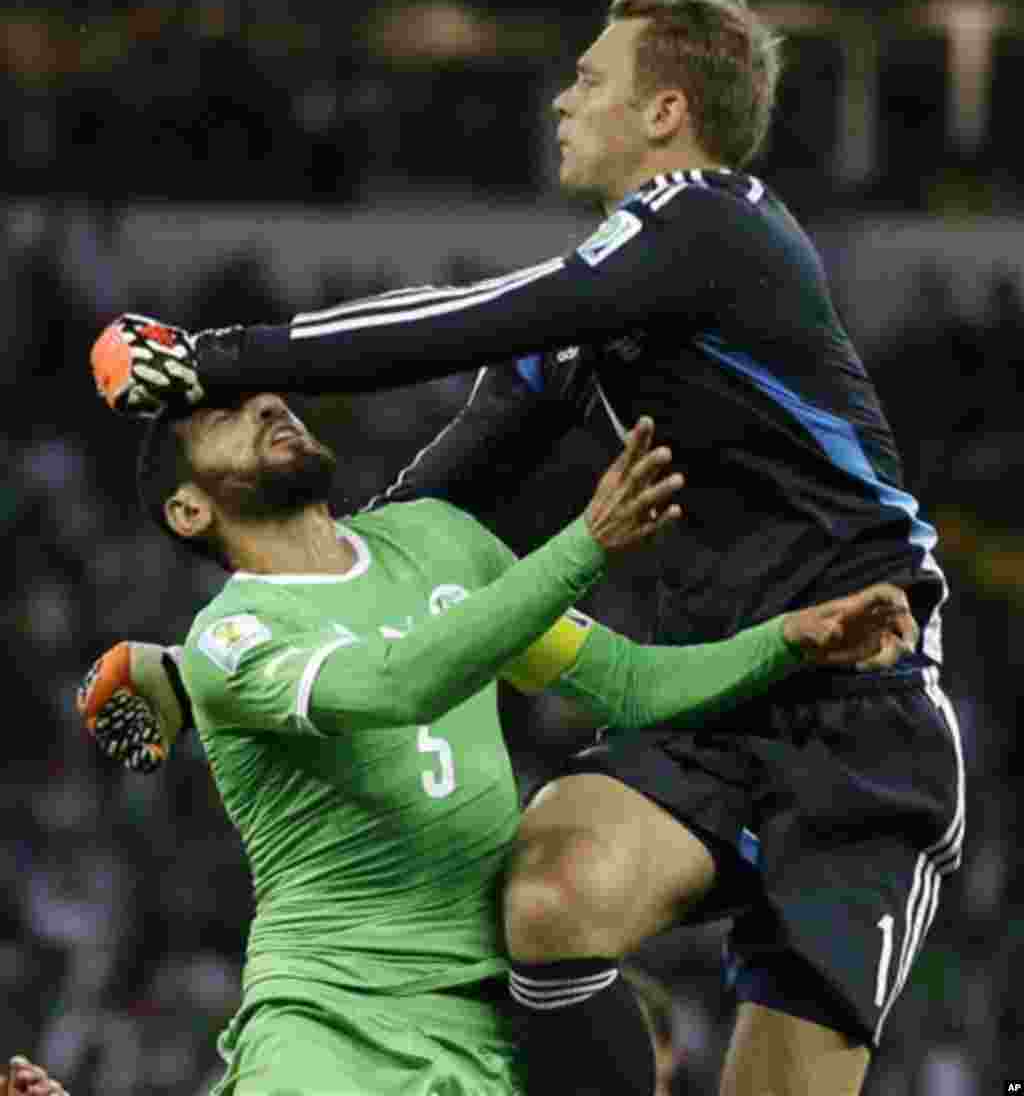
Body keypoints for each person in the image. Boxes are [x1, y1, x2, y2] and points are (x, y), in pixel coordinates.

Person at [88, 0, 963, 1096]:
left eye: (589, 78)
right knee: (550, 893)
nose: (561, 100)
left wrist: (221, 357)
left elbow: (475, 320)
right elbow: (415, 523)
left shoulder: (712, 223)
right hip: (702, 703)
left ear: (664, 113)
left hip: (862, 713)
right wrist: (209, 668)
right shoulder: (606, 304)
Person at [76, 391, 914, 1096]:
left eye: (264, 394)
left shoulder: (440, 539)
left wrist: (786, 642)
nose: (265, 402)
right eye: (226, 418)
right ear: (190, 509)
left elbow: (624, 684)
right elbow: (397, 684)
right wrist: (586, 544)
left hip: (494, 1039)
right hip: (330, 1031)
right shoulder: (231, 638)